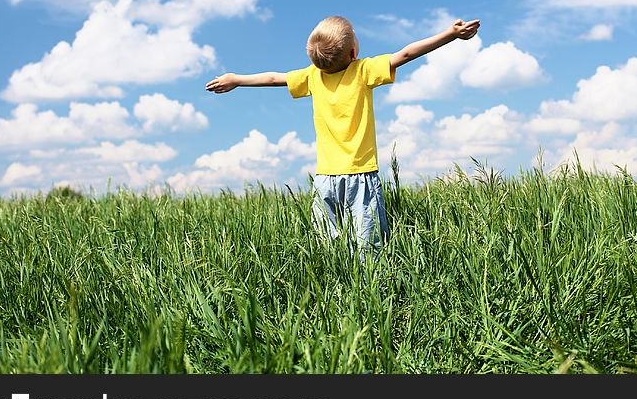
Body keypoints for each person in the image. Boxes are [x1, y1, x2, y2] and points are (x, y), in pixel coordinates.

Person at [205, 14, 480, 259]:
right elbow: (406, 55)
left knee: (328, 246)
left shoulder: (313, 77)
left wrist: (236, 78)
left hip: (325, 179)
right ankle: (374, 293)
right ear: (352, 52)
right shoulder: (362, 70)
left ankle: (336, 287)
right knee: (369, 248)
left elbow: (274, 79)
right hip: (361, 176)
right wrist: (450, 35)